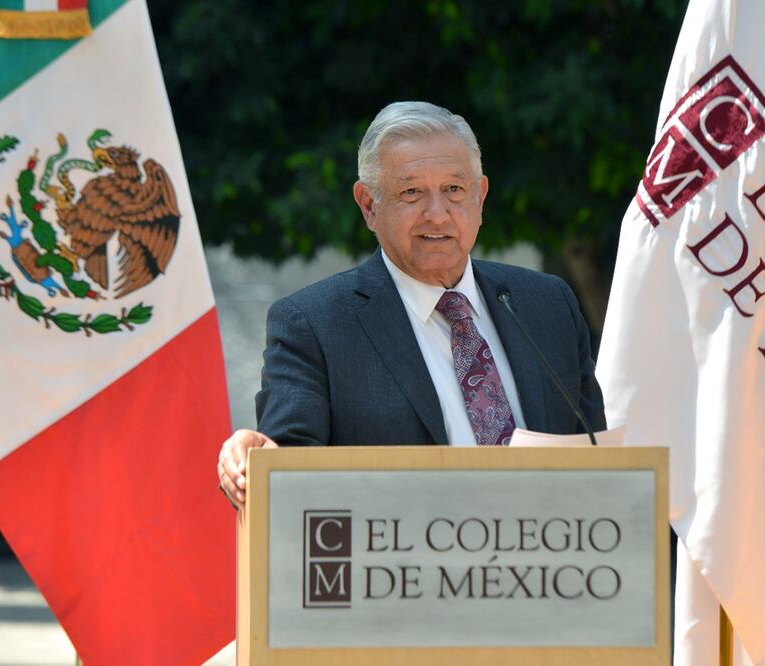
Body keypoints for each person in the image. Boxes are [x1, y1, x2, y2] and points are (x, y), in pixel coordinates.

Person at [218, 101, 605, 509]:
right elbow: (289, 469)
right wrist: (260, 460)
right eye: (412, 192)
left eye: (454, 190)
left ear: (481, 197)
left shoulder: (547, 304)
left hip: (552, 561)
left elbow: (597, 455)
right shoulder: (315, 325)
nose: (437, 215)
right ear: (369, 205)